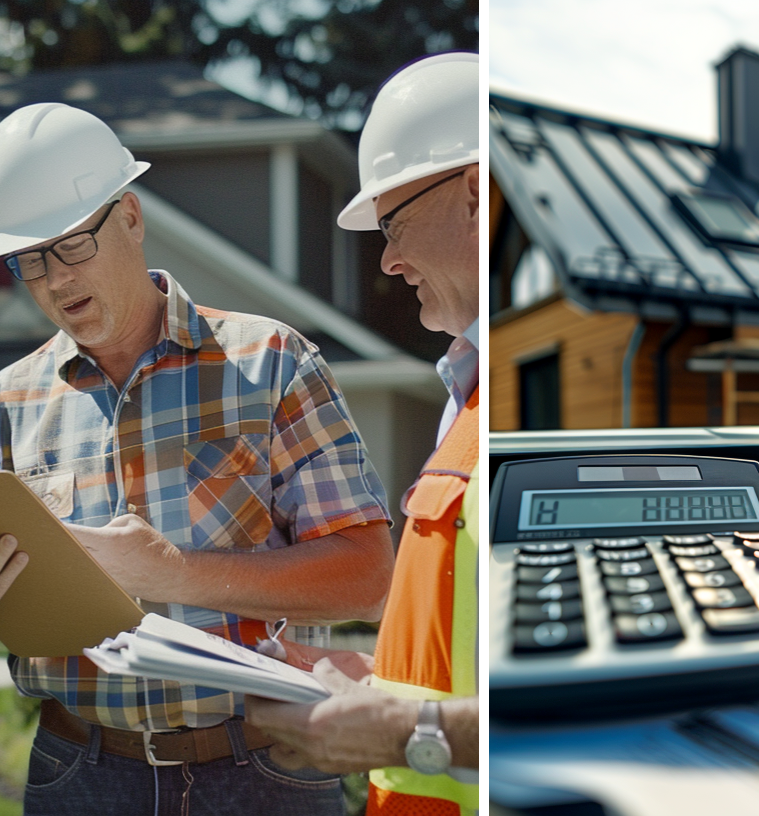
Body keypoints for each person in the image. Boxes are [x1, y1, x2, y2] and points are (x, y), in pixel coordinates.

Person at [0, 101, 394, 815]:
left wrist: (172, 573)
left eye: (71, 245)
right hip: (79, 774)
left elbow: (368, 577)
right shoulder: (10, 400)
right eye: (29, 258)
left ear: (130, 218)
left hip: (265, 767)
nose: (54, 279)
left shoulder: (271, 362)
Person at [246, 51, 480, 816]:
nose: (387, 258)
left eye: (393, 221)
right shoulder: (467, 401)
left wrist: (406, 730)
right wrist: (373, 677)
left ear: (478, 191)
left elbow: (616, 699)